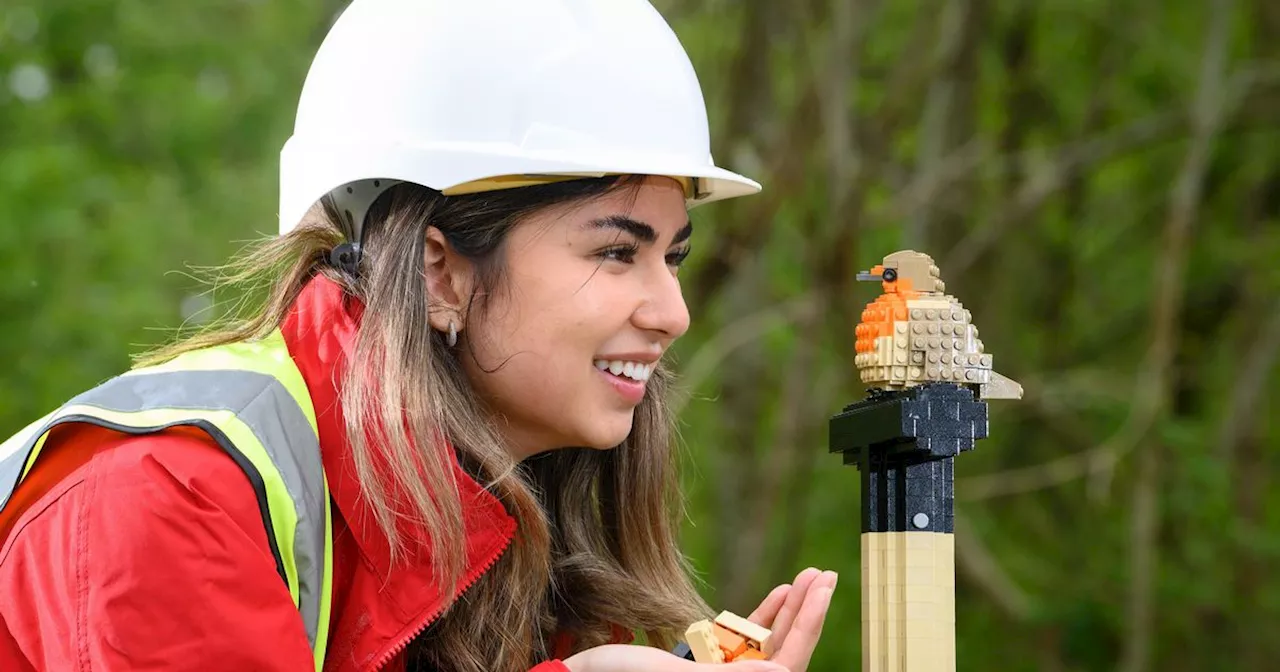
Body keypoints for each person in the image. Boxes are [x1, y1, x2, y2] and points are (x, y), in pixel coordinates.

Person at [0, 1, 839, 670]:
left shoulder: (513, 524)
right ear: (442, 273)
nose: (673, 311)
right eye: (616, 251)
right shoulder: (169, 495)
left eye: (673, 256)